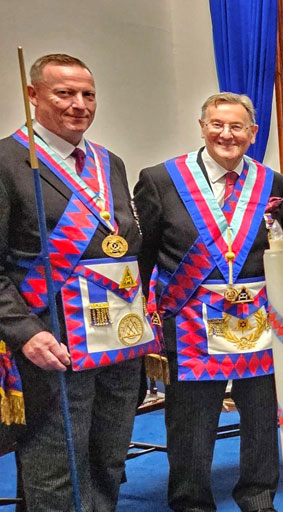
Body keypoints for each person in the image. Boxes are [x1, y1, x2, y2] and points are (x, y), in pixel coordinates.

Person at [0, 52, 157, 512]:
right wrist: (24, 333)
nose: (79, 104)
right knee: (56, 465)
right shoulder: (8, 160)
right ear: (33, 96)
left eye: (88, 94)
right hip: (54, 339)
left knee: (109, 456)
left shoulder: (110, 163)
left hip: (118, 338)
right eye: (64, 93)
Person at [134, 92, 283, 512]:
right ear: (202, 126)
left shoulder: (272, 183)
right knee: (191, 421)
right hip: (188, 323)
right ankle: (191, 500)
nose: (227, 134)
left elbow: (274, 250)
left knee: (260, 413)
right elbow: (144, 254)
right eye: (217, 124)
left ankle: (258, 495)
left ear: (253, 133)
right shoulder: (161, 179)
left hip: (255, 321)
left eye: (237, 126)